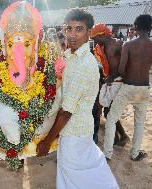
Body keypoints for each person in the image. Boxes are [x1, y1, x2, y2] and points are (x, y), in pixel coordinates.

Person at [36, 9, 119, 189]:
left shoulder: (84, 63)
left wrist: (47, 141)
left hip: (74, 132)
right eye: (69, 29)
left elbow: (67, 111)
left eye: (79, 29)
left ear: (89, 33)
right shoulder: (70, 56)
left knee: (76, 178)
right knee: (76, 175)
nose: (72, 35)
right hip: (78, 130)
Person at [104, 14, 152, 161]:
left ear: (135, 27)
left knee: (111, 119)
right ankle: (135, 154)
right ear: (149, 28)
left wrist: (112, 76)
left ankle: (107, 154)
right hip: (144, 89)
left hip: (128, 87)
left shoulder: (128, 45)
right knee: (140, 123)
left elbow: (121, 70)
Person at [90, 23, 130, 146]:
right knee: (108, 111)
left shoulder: (118, 44)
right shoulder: (101, 47)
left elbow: (126, 65)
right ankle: (120, 137)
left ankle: (121, 136)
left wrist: (113, 77)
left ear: (101, 35)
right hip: (110, 81)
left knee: (108, 112)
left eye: (95, 38)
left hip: (118, 81)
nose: (95, 41)